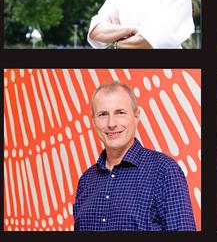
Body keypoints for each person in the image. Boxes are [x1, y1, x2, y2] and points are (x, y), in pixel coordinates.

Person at [73, 81, 195, 231]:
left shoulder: (164, 171)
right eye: (103, 114)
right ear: (94, 121)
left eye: (120, 113)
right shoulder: (86, 180)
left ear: (136, 116)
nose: (111, 123)